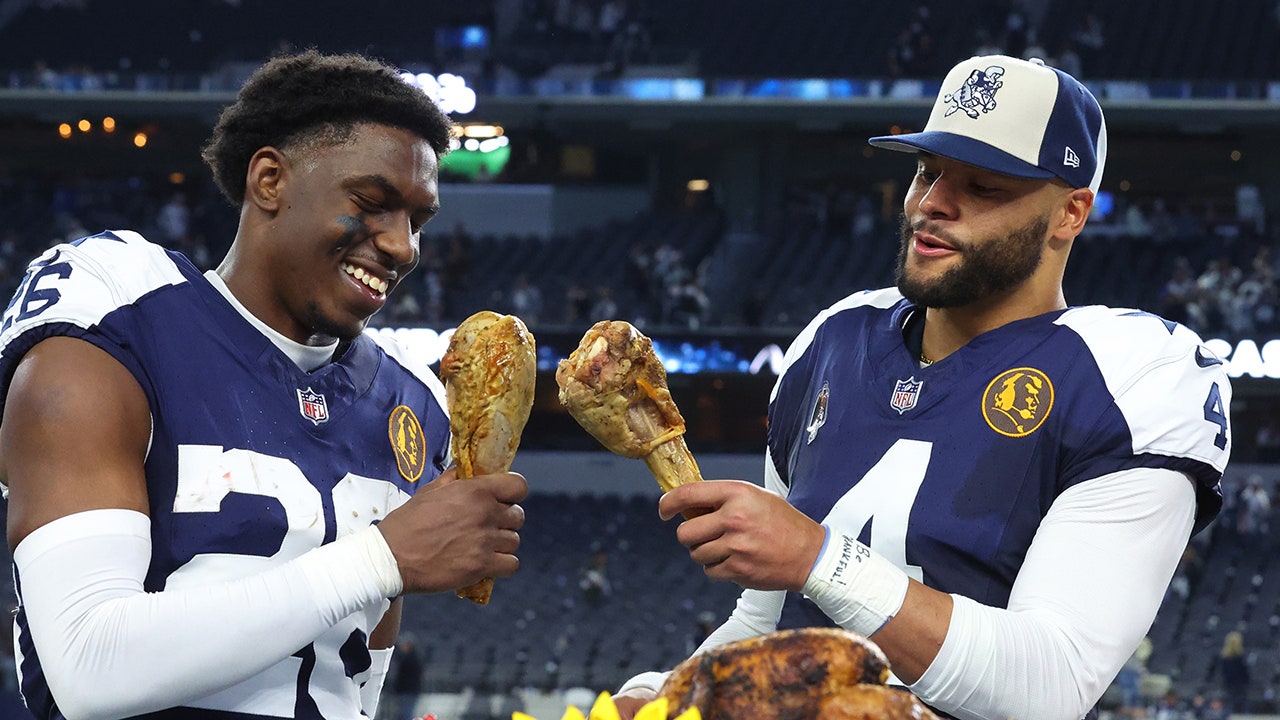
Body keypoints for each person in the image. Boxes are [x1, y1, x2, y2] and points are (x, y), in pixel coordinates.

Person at [613, 55, 1231, 720]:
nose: (931, 204)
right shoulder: (833, 340)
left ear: (1070, 213)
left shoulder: (1130, 377)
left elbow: (1050, 687)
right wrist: (665, 694)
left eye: (982, 186)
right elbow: (768, 623)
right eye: (927, 172)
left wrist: (818, 557)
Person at [0, 50, 528, 718]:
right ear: (270, 180)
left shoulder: (407, 402)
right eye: (372, 204)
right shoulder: (122, 315)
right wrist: (380, 558)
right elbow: (87, 665)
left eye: (417, 222)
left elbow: (355, 690)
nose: (403, 247)